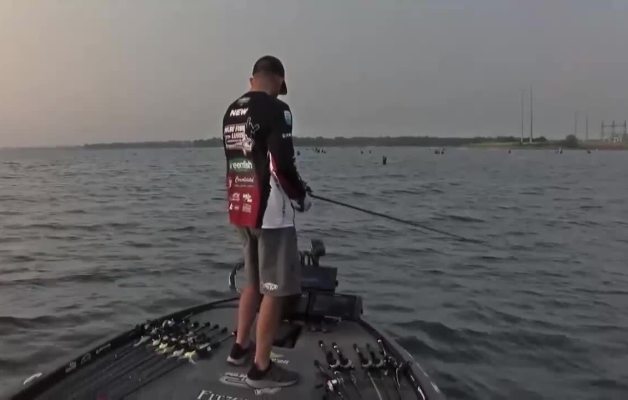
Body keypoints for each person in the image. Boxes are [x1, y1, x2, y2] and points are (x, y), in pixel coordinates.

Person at [221, 55, 311, 389]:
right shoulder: (277, 110)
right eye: (280, 87)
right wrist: (300, 197)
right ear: (278, 80)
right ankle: (261, 367)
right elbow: (282, 164)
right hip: (271, 214)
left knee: (253, 282)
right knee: (274, 290)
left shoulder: (232, 110)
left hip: (240, 207)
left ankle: (239, 347)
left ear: (252, 79)